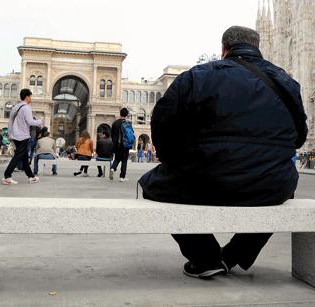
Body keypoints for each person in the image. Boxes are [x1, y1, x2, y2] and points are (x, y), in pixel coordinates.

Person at [139, 26, 308, 279]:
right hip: (269, 183)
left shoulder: (197, 76)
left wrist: (172, 159)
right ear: (258, 47)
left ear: (223, 49)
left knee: (153, 185)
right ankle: (233, 255)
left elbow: (163, 123)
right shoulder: (286, 83)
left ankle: (204, 257)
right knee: (284, 186)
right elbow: (300, 136)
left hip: (204, 179)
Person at [2, 89, 43, 185]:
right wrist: (40, 122)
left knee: (24, 157)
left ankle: (31, 176)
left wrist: (9, 133)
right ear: (27, 97)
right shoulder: (26, 108)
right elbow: (30, 122)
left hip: (16, 135)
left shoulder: (16, 107)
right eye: (30, 96)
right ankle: (7, 175)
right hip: (23, 135)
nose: (31, 98)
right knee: (18, 156)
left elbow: (10, 121)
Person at [110, 108, 134, 182]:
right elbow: (131, 133)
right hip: (125, 145)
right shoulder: (128, 123)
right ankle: (122, 177)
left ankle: (113, 168)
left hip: (117, 145)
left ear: (120, 113)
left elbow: (112, 135)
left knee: (117, 158)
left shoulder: (115, 123)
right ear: (126, 115)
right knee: (124, 161)